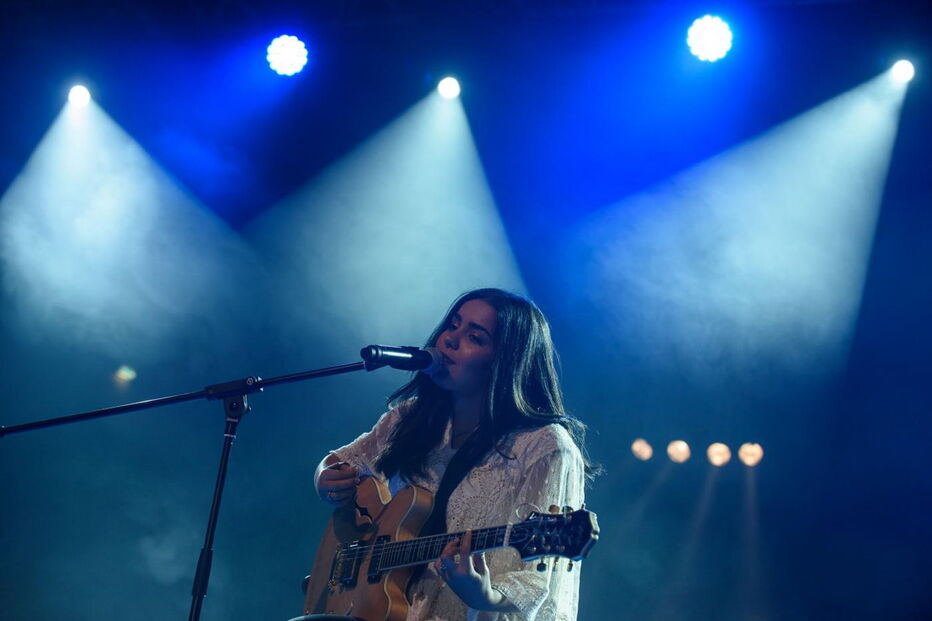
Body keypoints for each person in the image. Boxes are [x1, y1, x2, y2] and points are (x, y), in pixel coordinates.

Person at [312, 288, 599, 620]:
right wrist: (326, 476)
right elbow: (342, 461)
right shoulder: (410, 416)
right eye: (453, 325)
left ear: (504, 363)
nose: (450, 340)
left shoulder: (545, 446)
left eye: (475, 337)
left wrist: (485, 594)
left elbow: (541, 582)